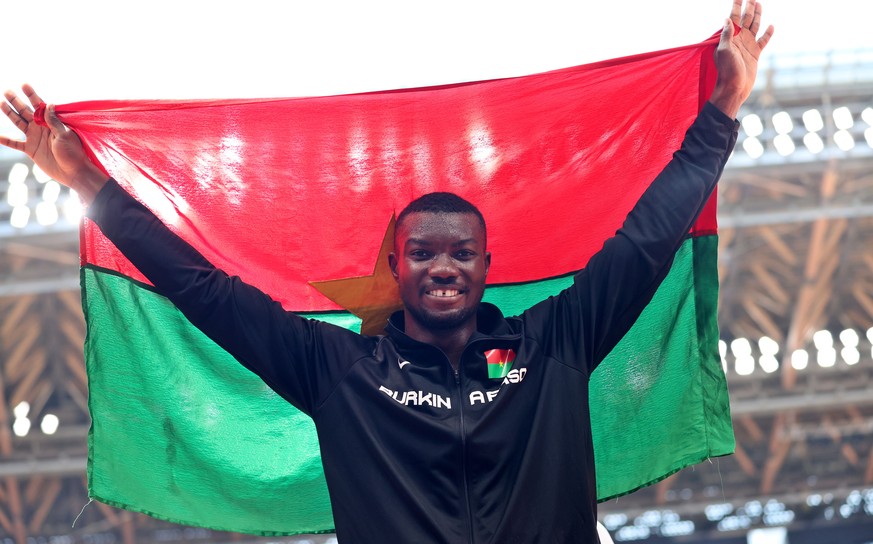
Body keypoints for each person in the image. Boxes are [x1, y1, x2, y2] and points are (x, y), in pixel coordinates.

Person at [1, 1, 772, 542]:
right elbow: (205, 292)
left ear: (485, 267)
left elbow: (644, 241)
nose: (443, 267)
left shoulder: (555, 346)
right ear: (396, 268)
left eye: (460, 253)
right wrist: (90, 187)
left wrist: (724, 110)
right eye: (424, 253)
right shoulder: (338, 370)